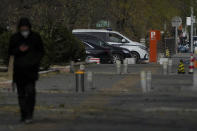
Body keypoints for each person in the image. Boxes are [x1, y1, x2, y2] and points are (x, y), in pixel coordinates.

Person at [8, 17, 44, 124]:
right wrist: (19, 50)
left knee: (31, 92)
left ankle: (29, 114)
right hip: (19, 71)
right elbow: (10, 51)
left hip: (31, 70)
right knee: (21, 94)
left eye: (26, 28)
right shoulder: (15, 38)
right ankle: (24, 114)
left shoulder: (35, 38)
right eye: (22, 28)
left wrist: (35, 61)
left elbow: (41, 51)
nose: (24, 30)